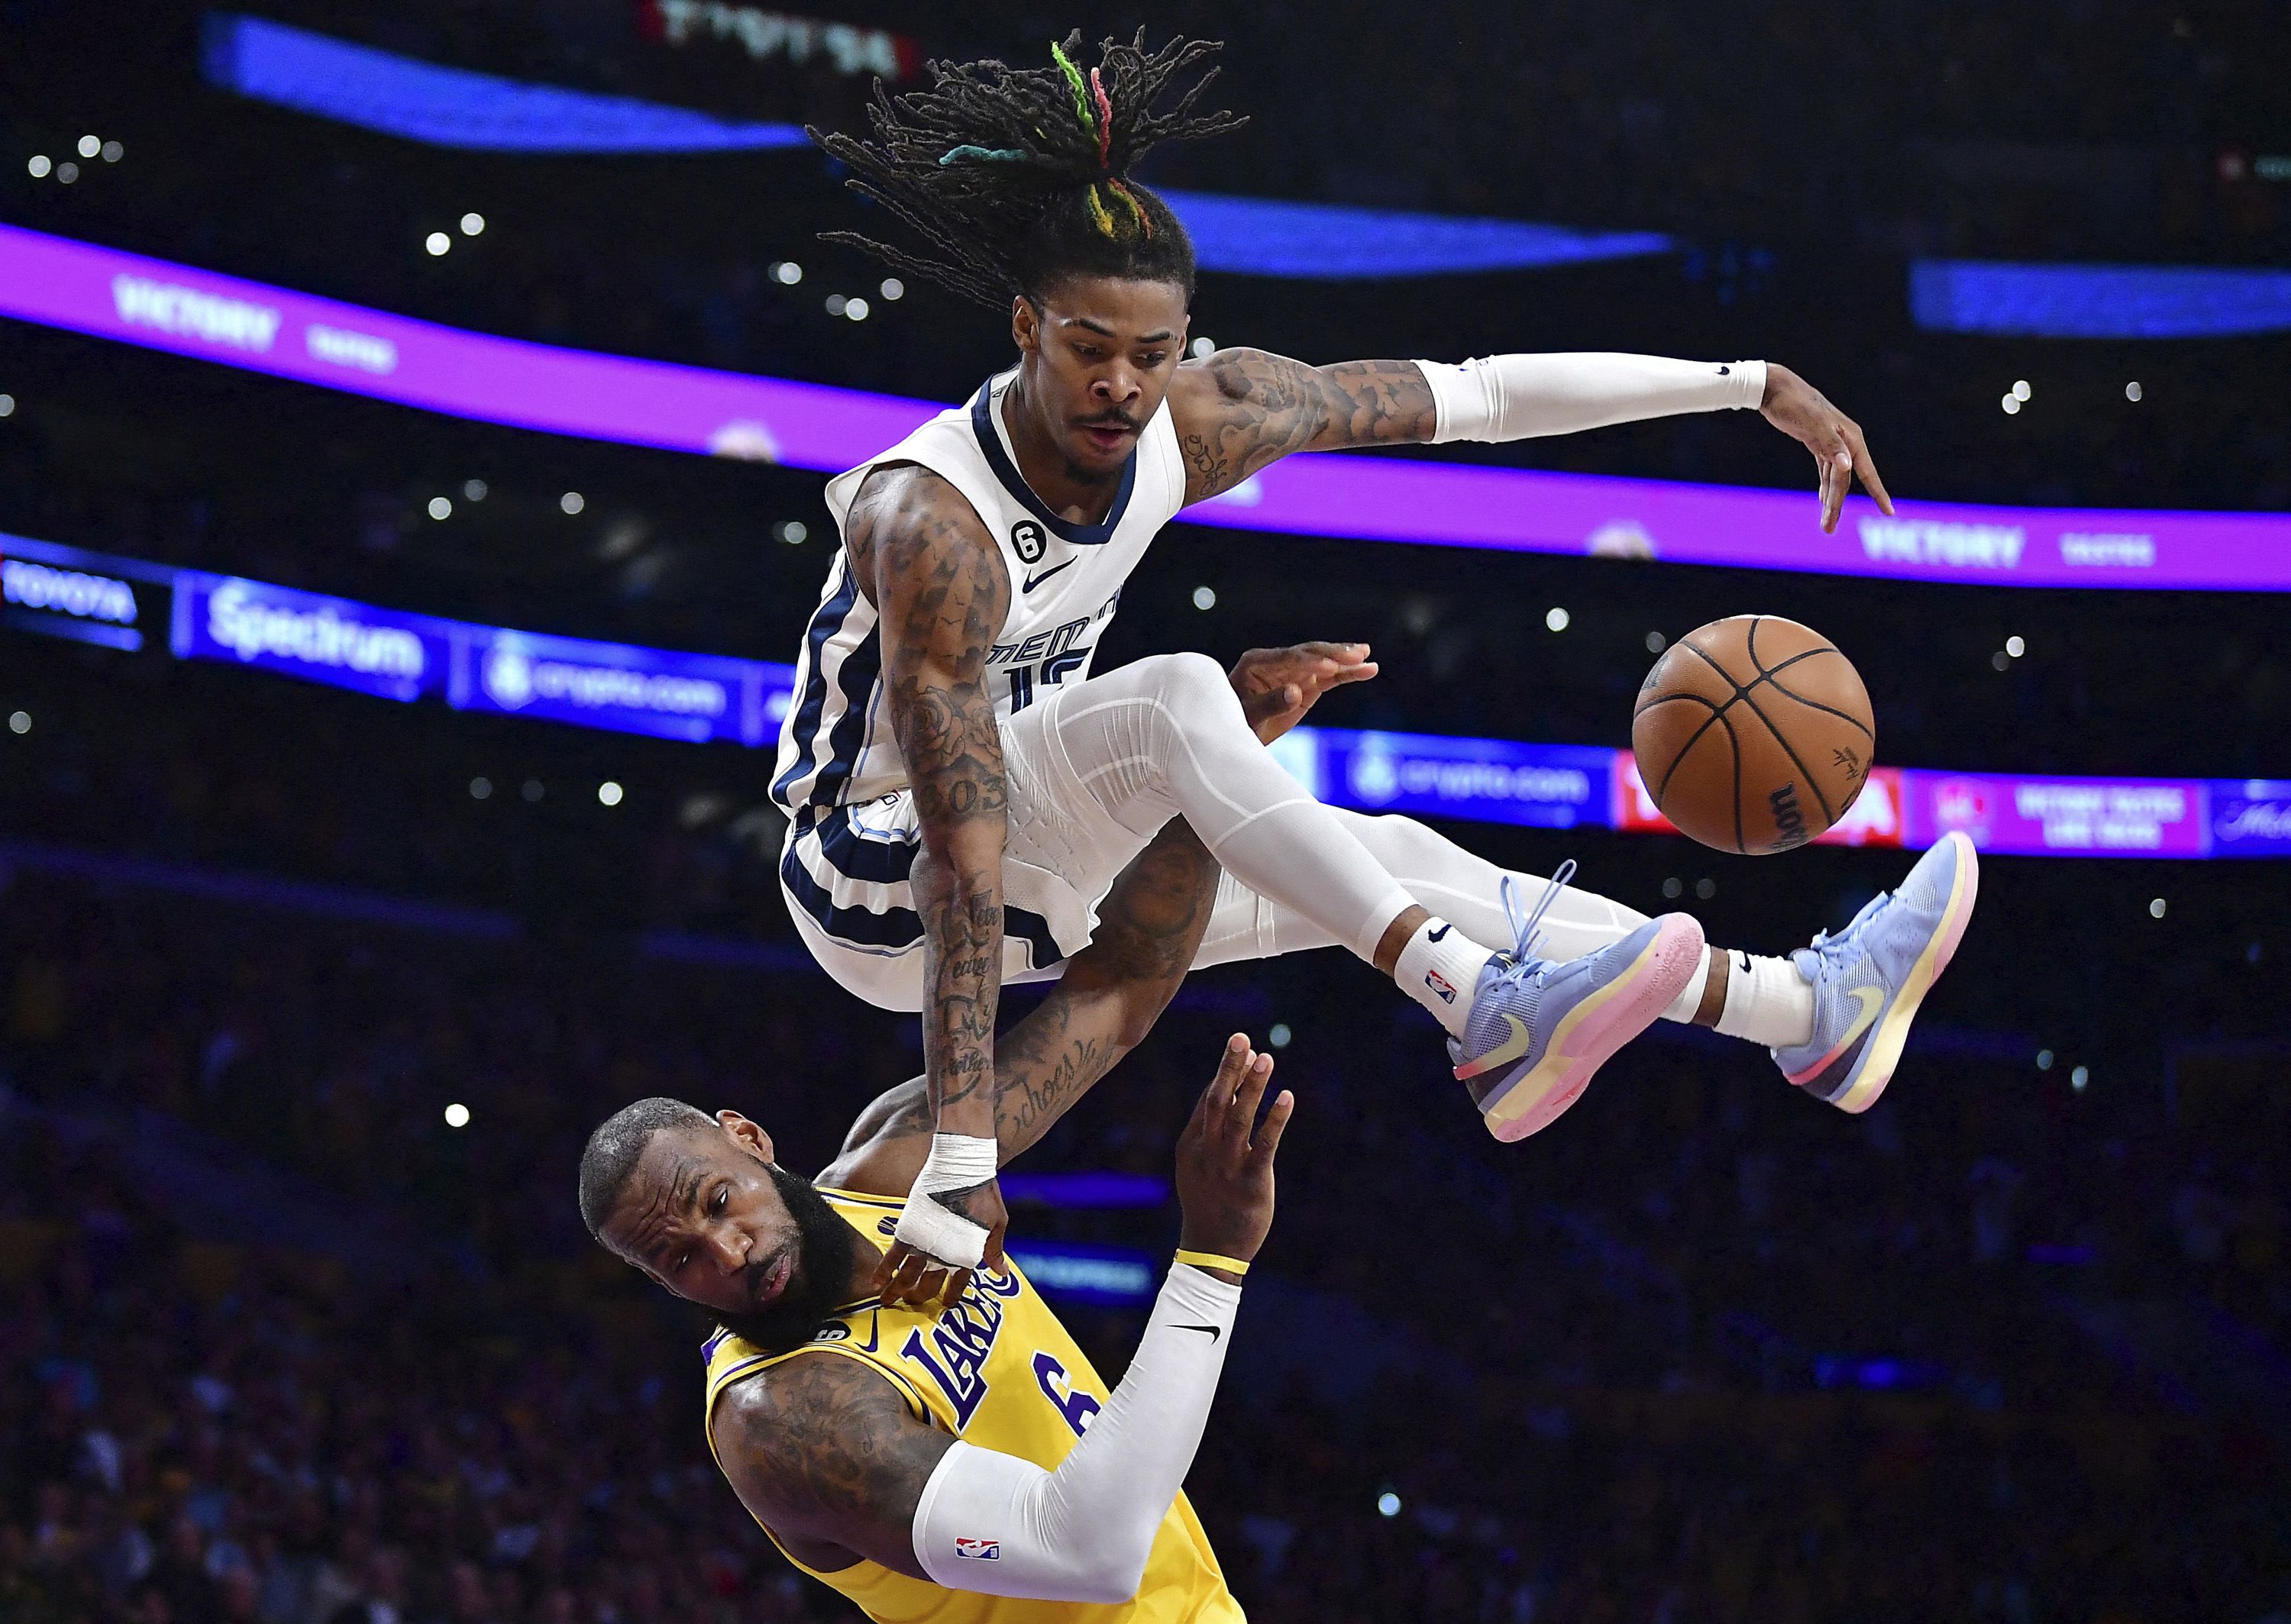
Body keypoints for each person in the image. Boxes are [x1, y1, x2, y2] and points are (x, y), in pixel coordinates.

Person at [780, 31, 1979, 1287]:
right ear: (1025, 327)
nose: (1121, 386)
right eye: (1088, 347)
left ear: (1187, 344)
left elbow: (1482, 396)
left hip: (1030, 835)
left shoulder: (1206, 417)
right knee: (1182, 695)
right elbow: (961, 863)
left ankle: (1807, 1013)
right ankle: (1475, 1002)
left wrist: (1747, 383)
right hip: (875, 870)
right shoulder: (934, 525)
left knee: (1387, 854)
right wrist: (963, 1166)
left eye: (1152, 354)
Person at [579, 804, 1276, 1622]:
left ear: (750, 1139)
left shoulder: (895, 1171)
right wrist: (1212, 1262)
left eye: (718, 1202)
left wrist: (1205, 777)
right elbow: (1093, 1551)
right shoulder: (784, 1419)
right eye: (680, 1260)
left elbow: (1115, 991)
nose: (728, 1253)